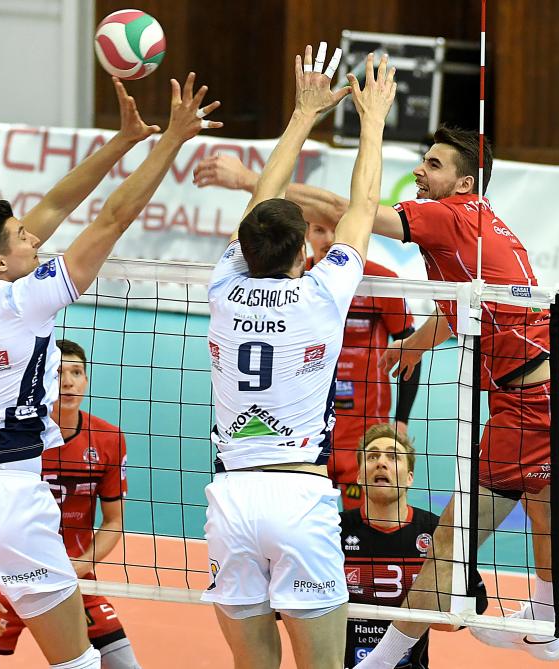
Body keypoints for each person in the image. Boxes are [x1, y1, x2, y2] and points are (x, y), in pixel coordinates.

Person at [266, 128, 559, 666]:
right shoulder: (482, 222)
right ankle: (547, 619)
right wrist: (416, 346)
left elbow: (346, 210)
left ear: (463, 181)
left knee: (448, 542)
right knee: (548, 507)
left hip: (530, 409)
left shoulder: (446, 216)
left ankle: (381, 662)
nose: (421, 171)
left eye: (434, 164)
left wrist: (252, 183)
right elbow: (465, 306)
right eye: (423, 161)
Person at [0, 74, 218, 669]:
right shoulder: (22, 299)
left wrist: (121, 140)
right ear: (2, 260)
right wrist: (171, 141)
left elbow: (54, 207)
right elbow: (110, 221)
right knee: (76, 662)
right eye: (22, 237)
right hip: (5, 497)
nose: (36, 238)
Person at [201, 44, 396, 668]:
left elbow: (262, 200)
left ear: (247, 245)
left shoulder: (225, 289)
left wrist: (302, 113)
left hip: (229, 501)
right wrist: (372, 120)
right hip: (298, 499)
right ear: (301, 253)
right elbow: (361, 207)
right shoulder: (321, 293)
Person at [193, 152, 421, 510]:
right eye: (317, 229)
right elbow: (359, 209)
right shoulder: (317, 288)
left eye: (333, 227)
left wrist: (402, 421)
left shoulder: (381, 283)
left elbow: (410, 351)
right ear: (304, 242)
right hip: (303, 433)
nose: (328, 237)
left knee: (360, 530)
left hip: (364, 431)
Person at [0, 339, 140, 668]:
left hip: (72, 579)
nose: (69, 381)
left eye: (77, 372)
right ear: (41, 379)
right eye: (58, 373)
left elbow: (113, 520)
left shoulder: (108, 438)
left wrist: (82, 565)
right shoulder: (13, 437)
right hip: (7, 581)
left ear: (86, 380)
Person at [341, 423, 487, 668]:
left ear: (410, 478)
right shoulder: (335, 530)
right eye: (373, 455)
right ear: (358, 476)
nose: (381, 462)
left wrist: (438, 618)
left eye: (393, 456)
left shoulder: (434, 530)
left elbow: (476, 598)